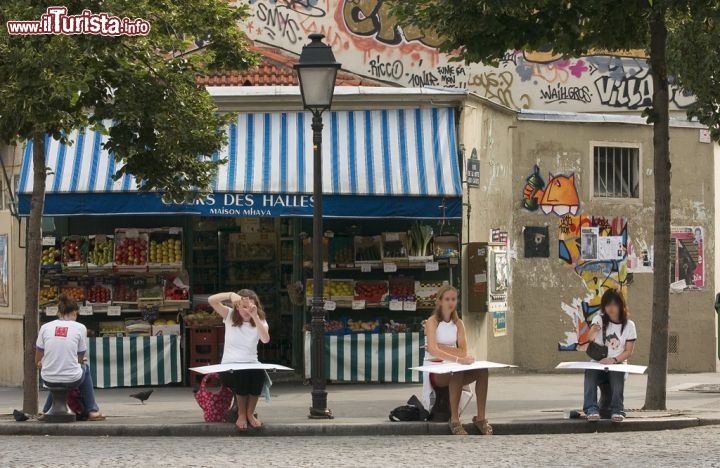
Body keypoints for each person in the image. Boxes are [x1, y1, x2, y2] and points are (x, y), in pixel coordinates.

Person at [423, 284, 492, 436]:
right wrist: (456, 357)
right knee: (457, 371)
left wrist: (442, 348)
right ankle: (454, 419)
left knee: (482, 371)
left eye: (453, 299)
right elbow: (433, 351)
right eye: (447, 299)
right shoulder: (432, 321)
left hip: (452, 366)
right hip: (436, 370)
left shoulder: (458, 323)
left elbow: (463, 351)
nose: (451, 302)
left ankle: (481, 417)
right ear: (440, 301)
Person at [208, 289, 270, 431]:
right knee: (242, 373)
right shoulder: (229, 315)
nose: (246, 310)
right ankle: (241, 414)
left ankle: (250, 413)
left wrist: (255, 317)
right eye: (243, 307)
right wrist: (230, 295)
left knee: (258, 373)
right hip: (229, 369)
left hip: (251, 365)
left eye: (250, 307)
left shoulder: (260, 321)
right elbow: (212, 300)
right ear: (237, 306)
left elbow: (265, 339)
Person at [36, 294, 105, 421]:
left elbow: (39, 353)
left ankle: (46, 410)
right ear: (74, 313)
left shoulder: (45, 327)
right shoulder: (80, 327)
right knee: (85, 368)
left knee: (57, 373)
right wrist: (78, 362)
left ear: (58, 312)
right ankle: (92, 410)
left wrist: (39, 363)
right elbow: (80, 356)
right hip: (72, 377)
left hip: (47, 377)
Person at [583, 288, 637, 423]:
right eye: (607, 304)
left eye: (614, 304)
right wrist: (593, 331)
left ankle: (617, 410)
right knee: (590, 371)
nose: (610, 308)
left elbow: (628, 352)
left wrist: (613, 360)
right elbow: (589, 338)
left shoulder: (629, 325)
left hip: (617, 364)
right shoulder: (599, 319)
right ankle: (591, 409)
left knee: (617, 372)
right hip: (599, 364)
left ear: (621, 305)